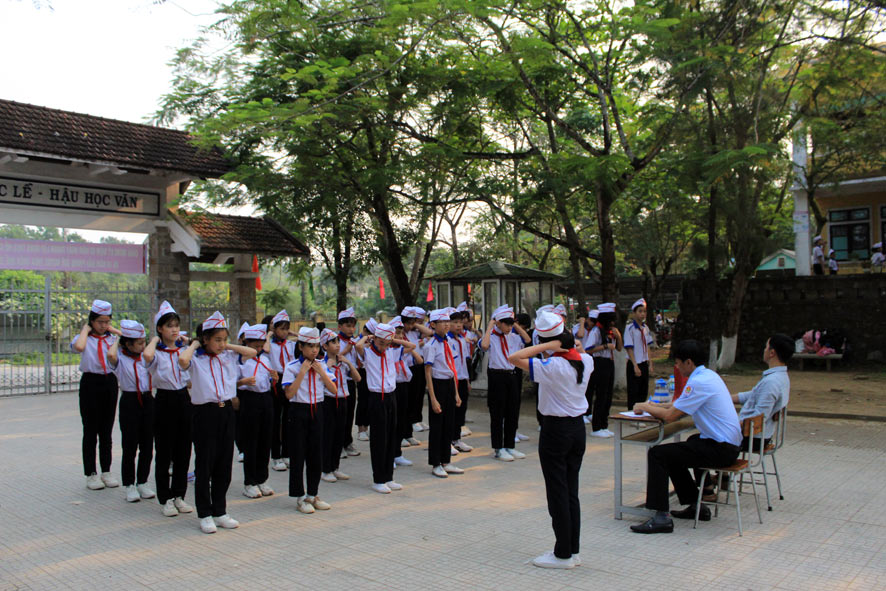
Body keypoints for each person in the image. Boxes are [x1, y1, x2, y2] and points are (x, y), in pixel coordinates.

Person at [509, 311, 593, 569]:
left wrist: (549, 345)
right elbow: (577, 350)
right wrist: (561, 343)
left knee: (557, 492)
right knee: (571, 491)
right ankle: (572, 549)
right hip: (577, 429)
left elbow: (514, 357)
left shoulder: (552, 367)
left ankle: (562, 554)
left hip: (556, 431)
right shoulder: (586, 360)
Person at [629, 339, 742, 534]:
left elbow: (670, 416)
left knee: (657, 454)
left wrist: (645, 406)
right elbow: (679, 405)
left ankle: (661, 516)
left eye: (678, 363)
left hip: (722, 449)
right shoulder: (709, 376)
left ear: (689, 362)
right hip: (729, 446)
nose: (677, 367)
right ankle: (695, 505)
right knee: (688, 444)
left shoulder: (698, 382)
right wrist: (654, 406)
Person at [179, 311, 258, 534]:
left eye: (224, 339)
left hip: (226, 411)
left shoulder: (228, 356)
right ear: (205, 339)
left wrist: (226, 345)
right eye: (217, 340)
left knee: (224, 463)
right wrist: (195, 344)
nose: (222, 344)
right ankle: (205, 513)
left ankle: (220, 511)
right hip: (205, 413)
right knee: (205, 464)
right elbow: (182, 360)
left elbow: (252, 352)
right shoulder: (196, 359)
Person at [143, 301, 194, 517]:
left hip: (183, 398)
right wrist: (155, 339)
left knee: (183, 450)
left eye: (176, 326)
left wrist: (187, 342)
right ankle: (165, 498)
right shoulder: (157, 352)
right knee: (164, 451)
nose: (174, 330)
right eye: (169, 326)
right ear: (160, 328)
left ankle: (179, 495)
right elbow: (147, 356)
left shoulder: (183, 351)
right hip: (163, 400)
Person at [282, 327, 337, 513]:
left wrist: (322, 372)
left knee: (316, 455)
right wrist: (302, 372)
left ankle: (313, 494)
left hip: (318, 410)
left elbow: (334, 390)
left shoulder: (321, 365)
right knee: (298, 455)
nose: (314, 350)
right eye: (310, 346)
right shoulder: (291, 367)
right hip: (298, 411)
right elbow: (289, 394)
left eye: (316, 346)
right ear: (301, 347)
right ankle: (299, 496)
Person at [357, 322, 416, 491]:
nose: (383, 347)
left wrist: (394, 340)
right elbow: (358, 346)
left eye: (386, 343)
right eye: (380, 343)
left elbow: (411, 346)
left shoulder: (392, 352)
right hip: (377, 398)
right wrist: (369, 337)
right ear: (374, 339)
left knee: (391, 436)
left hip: (391, 397)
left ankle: (389, 477)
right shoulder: (368, 353)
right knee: (379, 439)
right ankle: (378, 479)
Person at [71, 299, 122, 491]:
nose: (103, 325)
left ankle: (106, 471)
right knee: (90, 430)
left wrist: (113, 330)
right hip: (90, 383)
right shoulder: (83, 338)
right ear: (92, 320)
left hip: (109, 382)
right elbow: (79, 347)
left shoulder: (111, 338)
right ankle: (91, 473)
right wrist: (85, 330)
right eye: (100, 321)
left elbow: (129, 338)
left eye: (107, 321)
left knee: (106, 430)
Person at [107, 320, 155, 504]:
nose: (143, 346)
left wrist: (152, 341)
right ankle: (129, 484)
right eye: (139, 343)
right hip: (130, 401)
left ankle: (142, 482)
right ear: (127, 344)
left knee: (147, 445)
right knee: (130, 446)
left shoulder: (146, 357)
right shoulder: (120, 358)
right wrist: (118, 340)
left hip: (148, 400)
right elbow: (111, 355)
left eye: (144, 342)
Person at [480, 304, 531, 461]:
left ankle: (510, 446)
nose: (509, 327)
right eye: (506, 324)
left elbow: (528, 340)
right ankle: (498, 448)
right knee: (497, 413)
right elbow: (484, 346)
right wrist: (490, 325)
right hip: (497, 376)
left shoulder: (514, 337)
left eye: (511, 324)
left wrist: (515, 324)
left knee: (512, 412)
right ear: (498, 323)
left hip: (512, 375)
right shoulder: (491, 337)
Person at [236, 323, 277, 499]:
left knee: (265, 440)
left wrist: (274, 379)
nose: (259, 349)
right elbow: (231, 382)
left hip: (265, 399)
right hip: (249, 399)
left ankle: (262, 479)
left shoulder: (265, 360)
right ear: (247, 343)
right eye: (255, 346)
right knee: (251, 442)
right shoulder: (240, 361)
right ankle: (250, 482)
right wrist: (243, 382)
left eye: (261, 346)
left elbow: (268, 381)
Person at [423, 310, 464, 478]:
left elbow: (452, 368)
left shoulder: (449, 342)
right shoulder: (430, 345)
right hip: (437, 385)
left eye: (448, 321)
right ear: (433, 324)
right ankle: (436, 463)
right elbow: (428, 373)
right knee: (437, 426)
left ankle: (446, 460)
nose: (447, 324)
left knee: (449, 424)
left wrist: (456, 393)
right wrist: (432, 398)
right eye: (442, 322)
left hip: (449, 384)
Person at [320, 328, 360, 482]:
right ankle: (325, 469)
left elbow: (358, 378)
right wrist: (326, 367)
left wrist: (349, 363)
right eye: (333, 342)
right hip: (328, 400)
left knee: (339, 434)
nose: (337, 345)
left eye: (337, 342)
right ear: (325, 346)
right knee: (328, 435)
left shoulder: (342, 362)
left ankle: (335, 467)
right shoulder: (321, 363)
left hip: (343, 399)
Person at [388, 317, 423, 466]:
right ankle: (390, 455)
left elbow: (415, 352)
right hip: (392, 388)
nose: (400, 335)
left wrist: (399, 340)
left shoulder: (400, 349)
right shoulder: (387, 350)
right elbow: (412, 346)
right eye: (396, 332)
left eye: (401, 333)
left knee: (401, 419)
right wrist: (392, 339)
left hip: (403, 386)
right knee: (392, 422)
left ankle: (397, 454)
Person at [586, 303, 622, 438]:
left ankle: (604, 425)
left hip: (609, 363)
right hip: (599, 363)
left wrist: (619, 337)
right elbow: (588, 349)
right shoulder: (596, 331)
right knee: (601, 395)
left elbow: (619, 348)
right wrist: (605, 346)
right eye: (611, 320)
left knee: (608, 395)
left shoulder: (610, 331)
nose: (613, 323)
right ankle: (596, 427)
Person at [267, 310, 295, 472]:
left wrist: (293, 333)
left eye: (286, 329)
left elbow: (306, 340)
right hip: (276, 380)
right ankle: (276, 456)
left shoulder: (291, 344)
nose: (284, 332)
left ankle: (287, 453)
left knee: (288, 419)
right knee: (276, 419)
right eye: (281, 329)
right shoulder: (270, 345)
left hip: (289, 380)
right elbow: (265, 349)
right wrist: (269, 335)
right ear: (274, 329)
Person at [402, 306, 433, 440]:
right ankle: (404, 432)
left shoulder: (414, 332)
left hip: (417, 367)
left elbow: (430, 332)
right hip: (405, 369)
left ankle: (410, 430)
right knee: (406, 402)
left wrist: (414, 324)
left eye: (413, 323)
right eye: (408, 323)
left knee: (417, 397)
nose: (410, 326)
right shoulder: (399, 333)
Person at [337, 307, 362, 457]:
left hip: (351, 381)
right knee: (339, 415)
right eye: (348, 326)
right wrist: (345, 350)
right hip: (338, 382)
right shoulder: (334, 341)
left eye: (353, 326)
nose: (351, 329)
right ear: (339, 326)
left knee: (349, 413)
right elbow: (331, 359)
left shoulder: (355, 341)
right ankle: (338, 444)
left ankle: (347, 442)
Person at [624, 299, 654, 410]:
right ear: (634, 313)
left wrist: (650, 363)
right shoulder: (629, 328)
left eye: (644, 311)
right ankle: (632, 412)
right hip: (634, 363)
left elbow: (648, 346)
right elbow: (629, 348)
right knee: (633, 391)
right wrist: (635, 365)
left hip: (644, 362)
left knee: (643, 390)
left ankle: (640, 412)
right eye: (640, 311)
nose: (642, 314)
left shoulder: (645, 328)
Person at [574, 308, 599, 425]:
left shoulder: (595, 330)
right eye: (591, 320)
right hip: (579, 360)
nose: (592, 323)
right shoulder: (578, 327)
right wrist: (582, 323)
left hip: (590, 360)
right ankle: (581, 413)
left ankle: (588, 412)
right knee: (581, 386)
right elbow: (580, 334)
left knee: (590, 387)